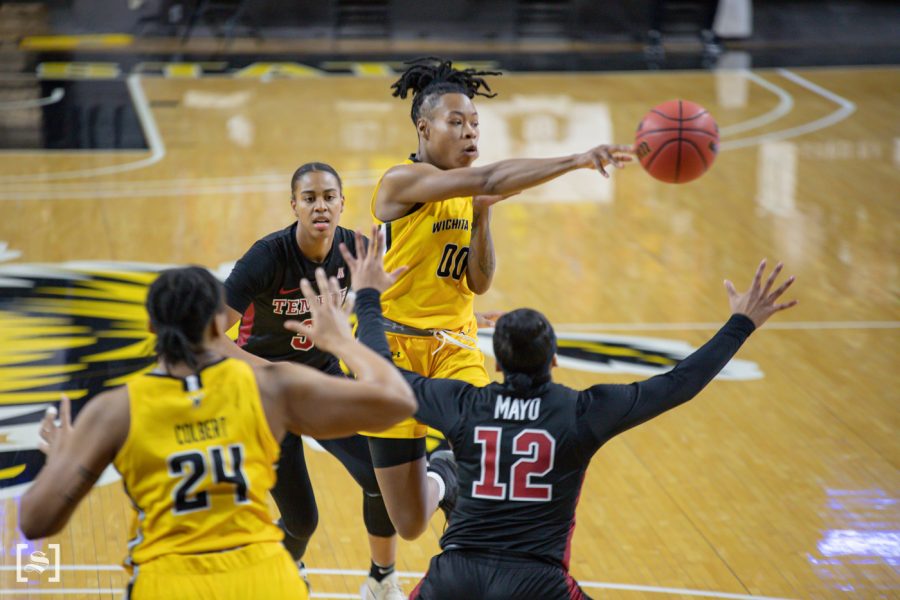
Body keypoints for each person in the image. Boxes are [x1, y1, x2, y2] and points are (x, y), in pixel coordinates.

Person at [342, 229, 797, 599]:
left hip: (456, 575)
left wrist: (367, 298)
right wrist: (741, 322)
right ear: (555, 360)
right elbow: (680, 383)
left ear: (496, 364)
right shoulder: (581, 412)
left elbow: (384, 372)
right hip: (536, 583)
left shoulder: (466, 404)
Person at [19, 266, 416, 600]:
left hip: (170, 582)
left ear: (151, 326)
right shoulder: (270, 387)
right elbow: (398, 402)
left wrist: (58, 463)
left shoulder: (115, 410)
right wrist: (343, 343)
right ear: (217, 323)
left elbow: (36, 523)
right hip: (265, 579)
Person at [363, 57, 636, 540]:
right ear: (423, 129)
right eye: (456, 122)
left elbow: (478, 283)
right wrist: (576, 159)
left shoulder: (468, 193)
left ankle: (472, 548)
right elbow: (488, 179)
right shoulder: (400, 183)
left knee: (486, 456)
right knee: (407, 523)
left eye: (475, 123)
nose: (470, 133)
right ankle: (444, 476)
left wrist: (483, 216)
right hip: (395, 349)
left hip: (454, 346)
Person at [215, 161, 420, 599]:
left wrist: (468, 320)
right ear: (294, 206)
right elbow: (210, 336)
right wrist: (270, 371)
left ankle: (381, 581)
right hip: (267, 394)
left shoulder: (357, 251)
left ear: (343, 203)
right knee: (302, 520)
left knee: (378, 478)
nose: (320, 206)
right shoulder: (266, 257)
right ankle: (286, 567)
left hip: (323, 381)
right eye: (309, 198)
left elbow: (387, 310)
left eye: (329, 197)